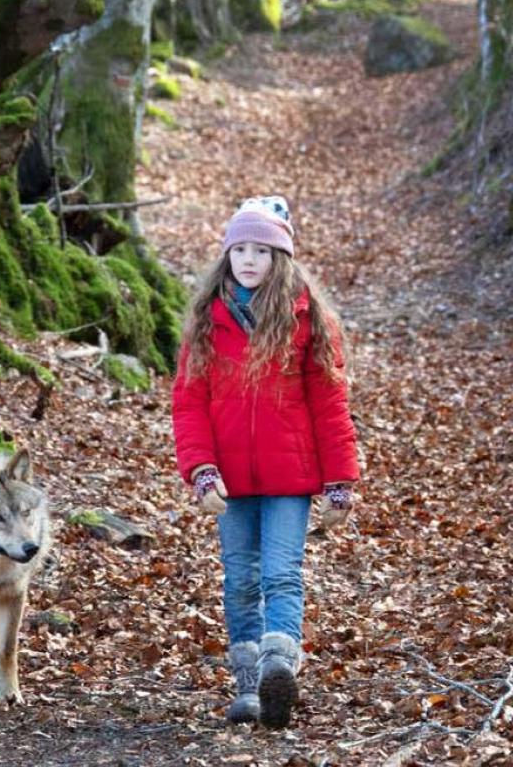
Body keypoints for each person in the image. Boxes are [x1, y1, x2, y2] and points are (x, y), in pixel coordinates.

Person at [171, 195, 360, 729]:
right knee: (239, 579)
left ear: (281, 258)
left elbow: (330, 404)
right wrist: (201, 469)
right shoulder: (208, 322)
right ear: (227, 255)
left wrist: (340, 481)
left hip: (289, 478)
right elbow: (188, 404)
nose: (249, 259)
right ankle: (250, 685)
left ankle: (281, 668)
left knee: (281, 574)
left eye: (262, 250)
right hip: (228, 479)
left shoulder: (307, 320)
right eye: (240, 249)